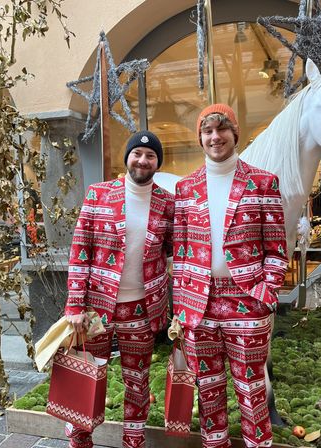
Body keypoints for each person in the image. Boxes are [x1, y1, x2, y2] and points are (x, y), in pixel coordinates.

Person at [172, 104, 288, 448]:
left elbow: (277, 250)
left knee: (252, 391)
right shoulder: (185, 188)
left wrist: (267, 294)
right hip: (199, 304)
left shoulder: (263, 182)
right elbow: (180, 253)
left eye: (221, 129)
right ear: (200, 138)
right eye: (207, 131)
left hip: (247, 301)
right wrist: (181, 307)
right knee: (208, 391)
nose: (214, 137)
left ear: (234, 133)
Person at [65, 130, 174, 448]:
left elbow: (172, 249)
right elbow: (79, 252)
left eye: (150, 156)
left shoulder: (168, 203)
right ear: (128, 158)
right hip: (96, 308)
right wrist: (74, 305)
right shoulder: (99, 194)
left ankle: (134, 440)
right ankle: (80, 439)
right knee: (88, 375)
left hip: (141, 308)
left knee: (137, 380)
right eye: (137, 154)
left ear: (157, 163)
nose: (143, 160)